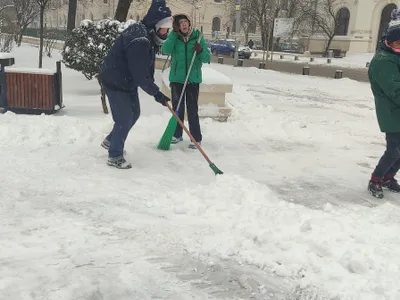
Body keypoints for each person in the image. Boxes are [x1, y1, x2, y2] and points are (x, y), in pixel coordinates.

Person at [99, 0, 172, 169]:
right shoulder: (140, 39)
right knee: (124, 118)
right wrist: (156, 93)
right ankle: (114, 155)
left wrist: (153, 87)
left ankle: (111, 140)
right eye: (163, 29)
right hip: (116, 80)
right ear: (155, 25)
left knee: (135, 113)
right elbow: (140, 73)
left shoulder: (146, 34)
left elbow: (145, 69)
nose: (165, 33)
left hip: (126, 80)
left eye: (167, 30)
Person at [161, 13, 210, 149]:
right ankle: (177, 134)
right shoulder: (175, 38)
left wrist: (200, 51)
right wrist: (172, 35)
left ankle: (196, 138)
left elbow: (206, 58)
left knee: (192, 109)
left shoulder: (198, 37)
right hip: (177, 79)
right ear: (177, 26)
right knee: (178, 108)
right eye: (180, 23)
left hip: (193, 80)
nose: (183, 24)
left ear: (189, 23)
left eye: (185, 22)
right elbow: (165, 50)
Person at [367, 8, 400, 197]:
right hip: (391, 114)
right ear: (389, 41)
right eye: (398, 42)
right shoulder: (383, 61)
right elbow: (395, 90)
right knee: (394, 151)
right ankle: (376, 179)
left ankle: (388, 178)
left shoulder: (395, 56)